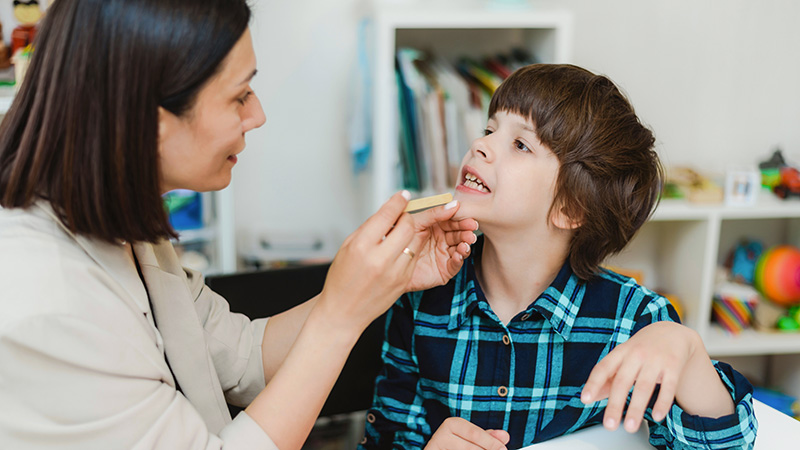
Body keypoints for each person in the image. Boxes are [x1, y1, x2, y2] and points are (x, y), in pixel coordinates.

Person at [0, 1, 488, 449]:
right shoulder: (44, 305)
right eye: (239, 96)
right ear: (148, 118)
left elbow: (240, 357)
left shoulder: (123, 226)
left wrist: (372, 284)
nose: (257, 115)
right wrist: (340, 316)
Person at [360, 64, 758, 450]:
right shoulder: (420, 295)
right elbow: (386, 438)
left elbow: (726, 444)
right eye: (489, 129)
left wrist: (686, 349)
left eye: (520, 144)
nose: (479, 145)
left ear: (570, 208)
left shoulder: (634, 322)